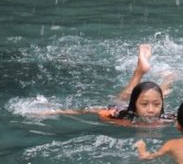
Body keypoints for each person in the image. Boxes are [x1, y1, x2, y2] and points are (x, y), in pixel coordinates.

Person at [38, 44, 175, 125]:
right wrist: (55, 112)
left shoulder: (168, 118)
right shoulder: (120, 115)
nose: (151, 110)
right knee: (121, 99)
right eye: (144, 105)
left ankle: (167, 77)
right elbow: (89, 110)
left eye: (157, 105)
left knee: (156, 93)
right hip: (122, 106)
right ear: (134, 105)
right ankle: (139, 72)